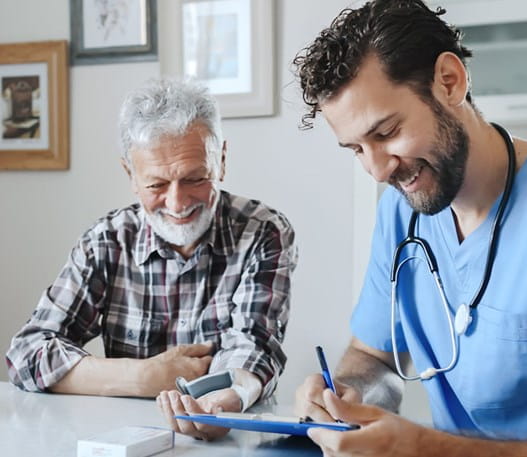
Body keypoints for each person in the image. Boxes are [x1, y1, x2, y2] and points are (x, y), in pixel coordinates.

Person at [293, 0, 527, 455]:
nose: (378, 171)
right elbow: (374, 357)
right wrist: (347, 401)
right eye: (356, 149)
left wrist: (426, 448)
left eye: (386, 133)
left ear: (449, 82)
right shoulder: (403, 213)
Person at [6, 78, 297, 440]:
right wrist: (144, 375)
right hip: (121, 439)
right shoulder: (107, 241)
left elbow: (254, 345)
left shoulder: (263, 232)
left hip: (231, 435)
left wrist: (227, 401)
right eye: (157, 185)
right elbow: (27, 353)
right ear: (131, 175)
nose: (178, 204)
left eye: (195, 178)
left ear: (220, 161)